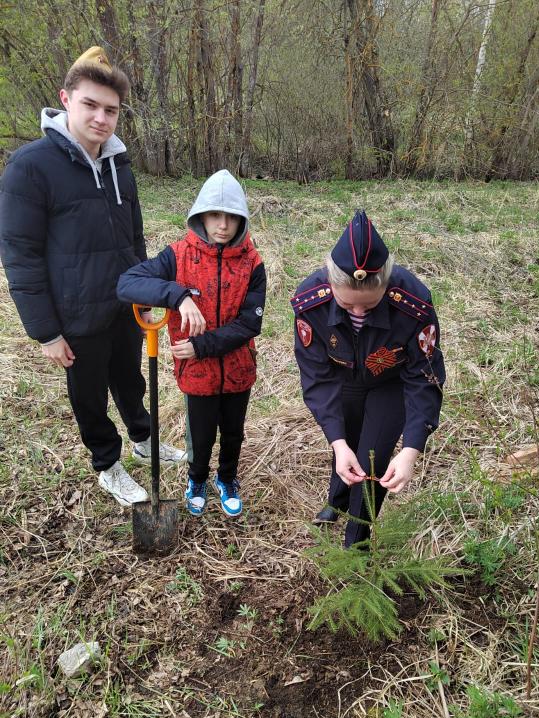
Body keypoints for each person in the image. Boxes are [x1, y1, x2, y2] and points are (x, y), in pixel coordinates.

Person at [0, 46, 185, 507]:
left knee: (131, 379)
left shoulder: (120, 163)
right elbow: (20, 256)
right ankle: (107, 463)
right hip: (75, 314)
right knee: (89, 394)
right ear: (66, 98)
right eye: (91, 105)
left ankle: (143, 437)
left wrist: (145, 289)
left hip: (126, 304)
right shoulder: (30, 167)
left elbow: (135, 236)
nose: (101, 118)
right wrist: (45, 332)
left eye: (111, 110)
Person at [117, 169, 266, 518]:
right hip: (196, 375)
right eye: (215, 214)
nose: (223, 225)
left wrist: (202, 345)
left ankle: (227, 479)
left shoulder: (252, 263)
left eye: (232, 217)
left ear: (242, 219)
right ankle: (196, 479)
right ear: (200, 214)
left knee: (232, 433)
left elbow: (250, 323)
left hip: (237, 369)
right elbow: (127, 284)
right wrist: (177, 294)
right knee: (200, 436)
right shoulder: (177, 256)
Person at [291, 210, 445, 547]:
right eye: (348, 305)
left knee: (372, 455)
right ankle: (337, 500)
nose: (359, 313)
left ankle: (356, 542)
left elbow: (425, 377)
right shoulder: (310, 303)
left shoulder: (414, 304)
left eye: (369, 305)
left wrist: (412, 448)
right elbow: (317, 375)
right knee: (345, 442)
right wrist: (335, 438)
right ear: (331, 285)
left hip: (389, 383)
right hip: (341, 378)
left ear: (387, 286)